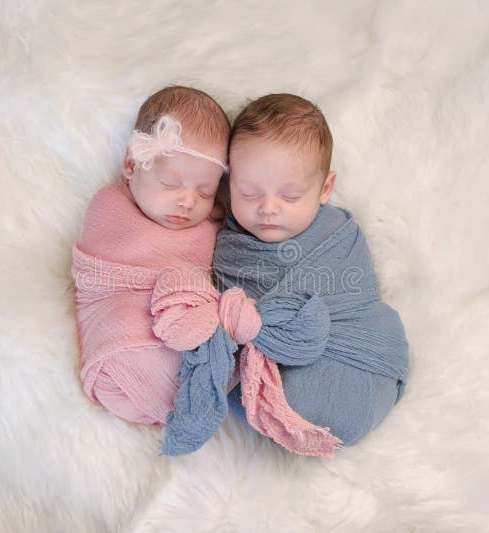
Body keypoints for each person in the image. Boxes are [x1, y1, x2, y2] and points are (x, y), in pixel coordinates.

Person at [218, 93, 409, 447]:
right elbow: (227, 320)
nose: (268, 209)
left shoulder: (338, 234)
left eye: (289, 196)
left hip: (361, 351)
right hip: (280, 375)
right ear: (230, 185)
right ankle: (287, 417)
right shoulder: (232, 247)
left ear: (325, 189)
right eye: (248, 193)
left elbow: (359, 299)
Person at [72, 86, 230, 425]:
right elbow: (100, 280)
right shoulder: (109, 207)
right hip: (118, 358)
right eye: (171, 183)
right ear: (132, 163)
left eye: (205, 191)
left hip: (194, 361)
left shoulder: (215, 226)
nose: (188, 201)